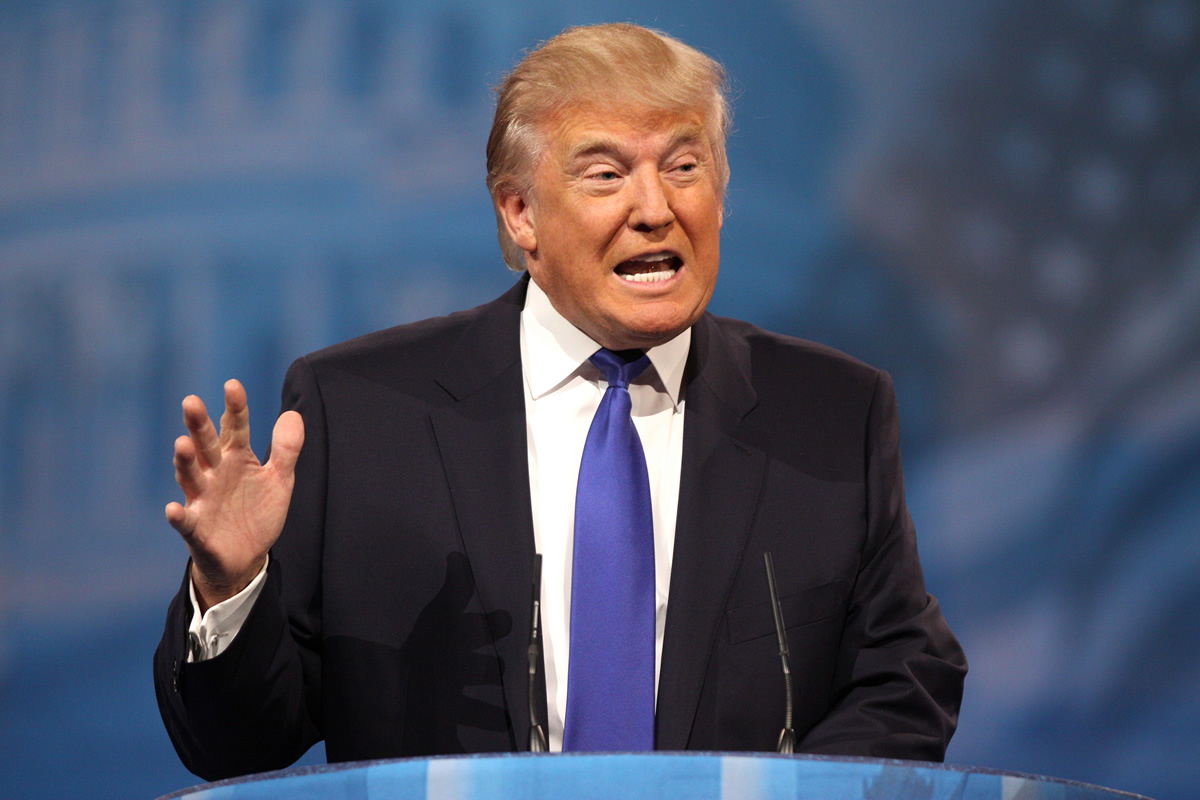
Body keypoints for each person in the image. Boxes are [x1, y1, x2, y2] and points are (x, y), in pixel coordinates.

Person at [154, 23, 966, 781]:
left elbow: (905, 679)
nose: (656, 209)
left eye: (684, 167)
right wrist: (233, 589)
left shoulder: (830, 413)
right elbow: (238, 744)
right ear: (521, 214)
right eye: (606, 174)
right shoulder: (362, 411)